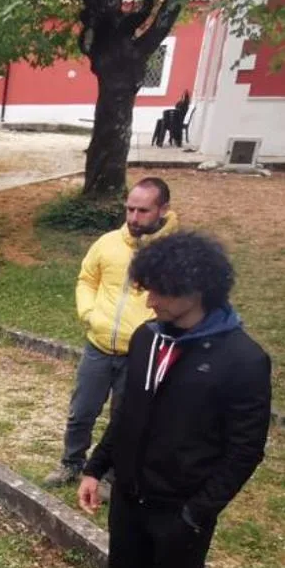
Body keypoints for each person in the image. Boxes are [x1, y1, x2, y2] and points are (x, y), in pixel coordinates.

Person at [66, 233, 272, 568]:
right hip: (130, 498)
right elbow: (127, 413)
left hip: (181, 512)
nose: (149, 300)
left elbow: (244, 451)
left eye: (157, 290)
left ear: (194, 289)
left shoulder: (244, 360)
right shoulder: (148, 338)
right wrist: (96, 467)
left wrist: (196, 513)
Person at [46, 177, 178, 489]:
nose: (133, 217)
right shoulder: (107, 243)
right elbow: (87, 279)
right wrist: (89, 313)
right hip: (99, 346)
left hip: (140, 354)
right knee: (81, 412)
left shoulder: (173, 253)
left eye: (143, 211)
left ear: (163, 209)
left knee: (125, 418)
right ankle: (71, 462)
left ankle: (110, 474)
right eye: (130, 209)